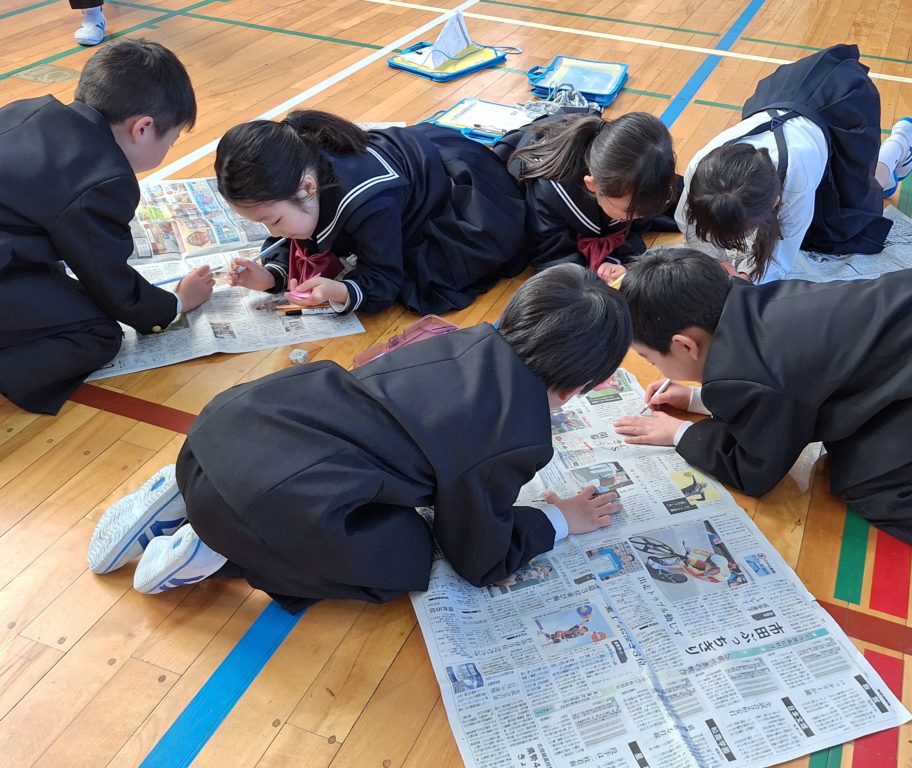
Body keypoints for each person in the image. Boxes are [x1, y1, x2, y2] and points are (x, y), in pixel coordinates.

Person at [86, 265, 630, 611]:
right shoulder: (517, 431)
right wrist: (556, 520)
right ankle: (211, 549)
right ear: (580, 387)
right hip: (261, 502)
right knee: (405, 555)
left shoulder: (463, 339)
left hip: (223, 430)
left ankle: (178, 494)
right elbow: (479, 555)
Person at [612, 247, 912, 584]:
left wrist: (680, 434)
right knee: (864, 448)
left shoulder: (751, 372)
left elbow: (755, 469)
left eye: (650, 358)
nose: (656, 368)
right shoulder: (747, 304)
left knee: (872, 486)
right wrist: (699, 399)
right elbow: (789, 393)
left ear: (686, 346)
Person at [0, 39, 214, 415]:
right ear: (143, 128)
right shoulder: (103, 178)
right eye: (172, 140)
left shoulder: (29, 109)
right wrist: (176, 303)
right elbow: (110, 282)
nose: (169, 148)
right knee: (99, 333)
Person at [215, 110, 530, 317]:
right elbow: (295, 238)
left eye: (273, 221)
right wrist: (271, 276)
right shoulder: (297, 175)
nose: (273, 232)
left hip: (464, 194)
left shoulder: (368, 202)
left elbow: (384, 280)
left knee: (426, 280)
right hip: (412, 172)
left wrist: (341, 291)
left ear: (307, 187)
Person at [677, 44, 912, 283]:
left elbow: (779, 257)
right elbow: (694, 232)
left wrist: (746, 278)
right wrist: (714, 264)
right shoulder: (701, 172)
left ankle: (900, 143)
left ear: (775, 202)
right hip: (786, 96)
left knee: (846, 223)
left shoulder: (797, 176)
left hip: (839, 107)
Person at [493, 110, 680, 272]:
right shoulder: (549, 191)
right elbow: (553, 255)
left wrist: (615, 260)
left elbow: (635, 228)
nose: (637, 217)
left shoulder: (639, 180)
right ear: (592, 185)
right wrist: (591, 276)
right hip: (542, 155)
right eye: (628, 212)